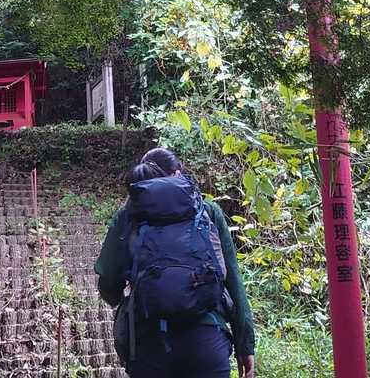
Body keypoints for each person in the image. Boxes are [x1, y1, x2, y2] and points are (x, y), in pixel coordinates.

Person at [96, 147, 256, 378]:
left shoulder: (128, 216)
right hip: (207, 341)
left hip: (149, 344)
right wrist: (245, 345)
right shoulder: (207, 212)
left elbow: (109, 283)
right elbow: (233, 283)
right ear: (178, 173)